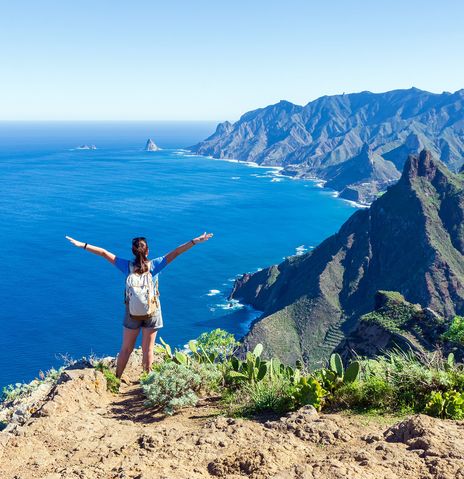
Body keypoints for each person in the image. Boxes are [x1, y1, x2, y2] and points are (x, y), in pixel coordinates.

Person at [65, 232, 213, 378]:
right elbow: (176, 252)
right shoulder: (155, 265)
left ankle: (116, 379)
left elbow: (104, 253)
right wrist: (195, 241)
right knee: (148, 349)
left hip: (132, 313)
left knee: (126, 349)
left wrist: (82, 245)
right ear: (147, 251)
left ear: (133, 252)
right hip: (152, 312)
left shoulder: (127, 266)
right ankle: (146, 381)